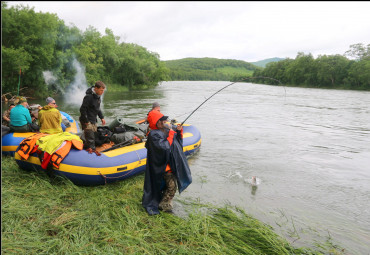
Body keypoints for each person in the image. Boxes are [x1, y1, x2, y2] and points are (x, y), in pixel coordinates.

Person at [142, 110, 192, 215]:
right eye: (161, 120)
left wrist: (178, 132)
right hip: (162, 167)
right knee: (172, 186)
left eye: (164, 120)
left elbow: (176, 143)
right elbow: (164, 148)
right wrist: (171, 134)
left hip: (170, 164)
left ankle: (163, 200)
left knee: (168, 186)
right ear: (156, 122)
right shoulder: (153, 134)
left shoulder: (166, 130)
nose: (164, 122)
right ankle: (164, 204)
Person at [79, 81, 106, 155]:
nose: (102, 92)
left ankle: (84, 148)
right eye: (101, 90)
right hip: (87, 120)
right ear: (96, 88)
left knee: (93, 137)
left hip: (93, 120)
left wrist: (102, 117)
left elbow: (97, 109)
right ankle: (93, 153)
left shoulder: (97, 97)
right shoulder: (89, 97)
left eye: (103, 90)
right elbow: (82, 109)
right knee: (91, 139)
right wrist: (86, 121)